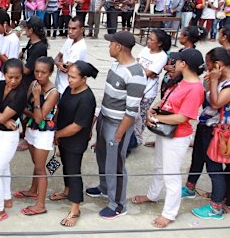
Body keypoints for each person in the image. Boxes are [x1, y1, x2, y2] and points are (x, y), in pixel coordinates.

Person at [131, 48, 205, 228]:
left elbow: (182, 117)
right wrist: (155, 109)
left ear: (184, 64)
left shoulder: (195, 88)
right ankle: (153, 195)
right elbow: (167, 101)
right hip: (166, 131)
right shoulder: (180, 81)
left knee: (171, 175)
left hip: (177, 136)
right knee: (159, 166)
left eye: (176, 61)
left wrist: (156, 118)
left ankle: (169, 213)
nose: (173, 64)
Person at [88, 31, 146, 219]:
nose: (109, 46)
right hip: (105, 118)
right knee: (102, 156)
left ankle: (118, 204)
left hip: (118, 124)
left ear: (119, 46)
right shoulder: (116, 65)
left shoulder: (136, 74)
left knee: (116, 164)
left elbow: (131, 111)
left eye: (111, 43)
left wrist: (119, 134)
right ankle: (105, 187)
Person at [186, 47, 230, 220]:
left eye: (209, 65)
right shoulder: (220, 80)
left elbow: (216, 103)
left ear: (218, 65)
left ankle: (216, 208)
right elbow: (207, 99)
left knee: (214, 169)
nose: (207, 68)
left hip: (219, 132)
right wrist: (210, 82)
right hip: (207, 127)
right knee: (201, 161)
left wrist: (214, 81)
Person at [51, 60, 98, 227]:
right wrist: (55, 127)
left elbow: (77, 126)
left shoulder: (87, 98)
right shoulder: (70, 89)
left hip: (74, 140)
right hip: (63, 136)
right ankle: (67, 191)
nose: (69, 80)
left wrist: (58, 134)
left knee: (73, 171)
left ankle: (75, 209)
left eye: (73, 77)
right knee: (65, 165)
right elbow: (61, 108)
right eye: (68, 76)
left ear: (84, 79)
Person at [14, 57, 59, 216]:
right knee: (36, 163)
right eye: (37, 71)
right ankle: (33, 190)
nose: (39, 75)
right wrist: (31, 112)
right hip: (32, 129)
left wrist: (37, 98)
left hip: (44, 133)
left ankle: (41, 204)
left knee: (41, 169)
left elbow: (39, 117)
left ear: (51, 73)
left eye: (43, 72)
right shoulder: (34, 83)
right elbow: (25, 107)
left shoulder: (53, 93)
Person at [0, 59, 27, 224]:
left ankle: (0, 209)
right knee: (3, 168)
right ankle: (7, 199)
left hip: (9, 137)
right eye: (10, 77)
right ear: (4, 74)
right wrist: (0, 118)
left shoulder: (21, 93)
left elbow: (1, 116)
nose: (14, 81)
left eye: (17, 77)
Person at [133, 29, 170, 147]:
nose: (148, 41)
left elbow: (148, 72)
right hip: (136, 87)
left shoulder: (162, 56)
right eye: (148, 38)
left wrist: (141, 69)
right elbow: (136, 63)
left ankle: (137, 138)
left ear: (159, 43)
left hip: (147, 91)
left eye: (151, 39)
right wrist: (143, 69)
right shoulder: (145, 50)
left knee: (141, 116)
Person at [54, 17, 87, 94]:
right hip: (59, 85)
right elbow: (58, 56)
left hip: (68, 88)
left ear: (82, 30)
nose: (70, 31)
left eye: (74, 29)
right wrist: (59, 63)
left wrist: (58, 63)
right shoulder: (69, 40)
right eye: (69, 28)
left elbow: (66, 68)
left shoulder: (80, 47)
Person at [21, 16, 48, 89]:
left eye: (26, 27)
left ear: (31, 30)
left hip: (31, 85)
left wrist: (18, 62)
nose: (24, 29)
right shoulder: (31, 42)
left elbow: (26, 70)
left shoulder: (39, 48)